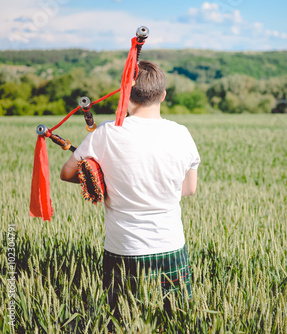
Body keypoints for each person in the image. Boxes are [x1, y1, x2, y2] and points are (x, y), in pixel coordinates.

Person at [60, 60, 200, 324]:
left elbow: (67, 173)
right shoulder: (182, 134)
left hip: (124, 249)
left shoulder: (106, 133)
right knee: (174, 323)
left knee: (122, 323)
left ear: (125, 91)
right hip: (171, 246)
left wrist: (102, 176)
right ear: (163, 95)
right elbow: (189, 189)